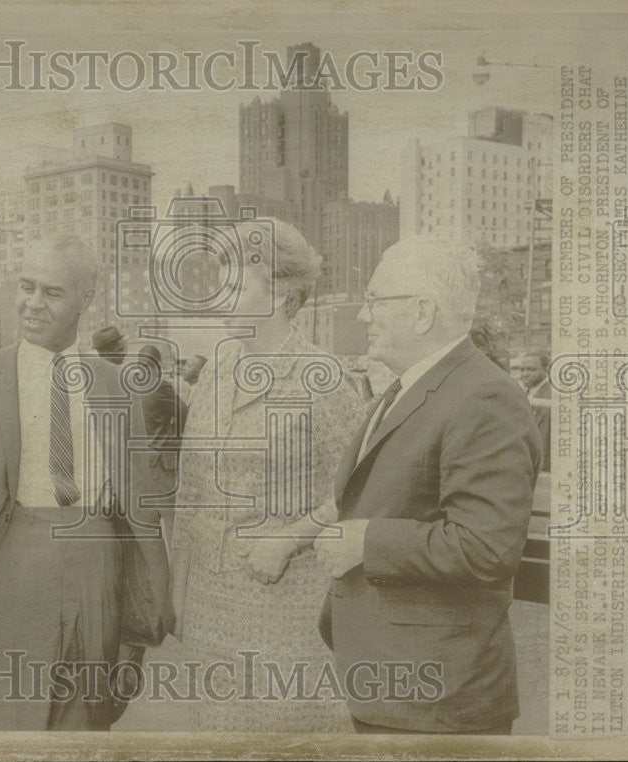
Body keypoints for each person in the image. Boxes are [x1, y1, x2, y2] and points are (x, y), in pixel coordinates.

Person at [0, 234, 173, 730]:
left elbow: (140, 519)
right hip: (10, 574)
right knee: (6, 729)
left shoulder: (119, 387)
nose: (32, 304)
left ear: (86, 298)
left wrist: (138, 634)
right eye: (25, 287)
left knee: (86, 728)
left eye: (52, 293)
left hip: (97, 566)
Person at [314, 235, 542, 735]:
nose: (362, 315)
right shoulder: (411, 386)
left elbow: (486, 545)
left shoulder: (483, 397)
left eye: (375, 300)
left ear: (421, 312)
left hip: (438, 699)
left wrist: (365, 541)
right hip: (397, 683)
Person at [171, 218, 364, 732]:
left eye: (236, 280)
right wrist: (177, 593)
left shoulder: (324, 380)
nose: (219, 292)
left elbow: (361, 493)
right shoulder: (218, 366)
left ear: (280, 293)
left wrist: (290, 538)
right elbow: (191, 489)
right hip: (210, 617)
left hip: (287, 620)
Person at [137, 345, 188, 545]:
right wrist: (174, 436)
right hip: (161, 460)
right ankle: (176, 569)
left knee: (149, 519)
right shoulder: (159, 385)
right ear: (157, 364)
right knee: (171, 517)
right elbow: (183, 413)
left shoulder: (131, 387)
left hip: (141, 460)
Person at [513, 351, 552, 472]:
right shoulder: (523, 392)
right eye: (522, 370)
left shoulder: (551, 395)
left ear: (546, 370)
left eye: (531, 369)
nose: (525, 374)